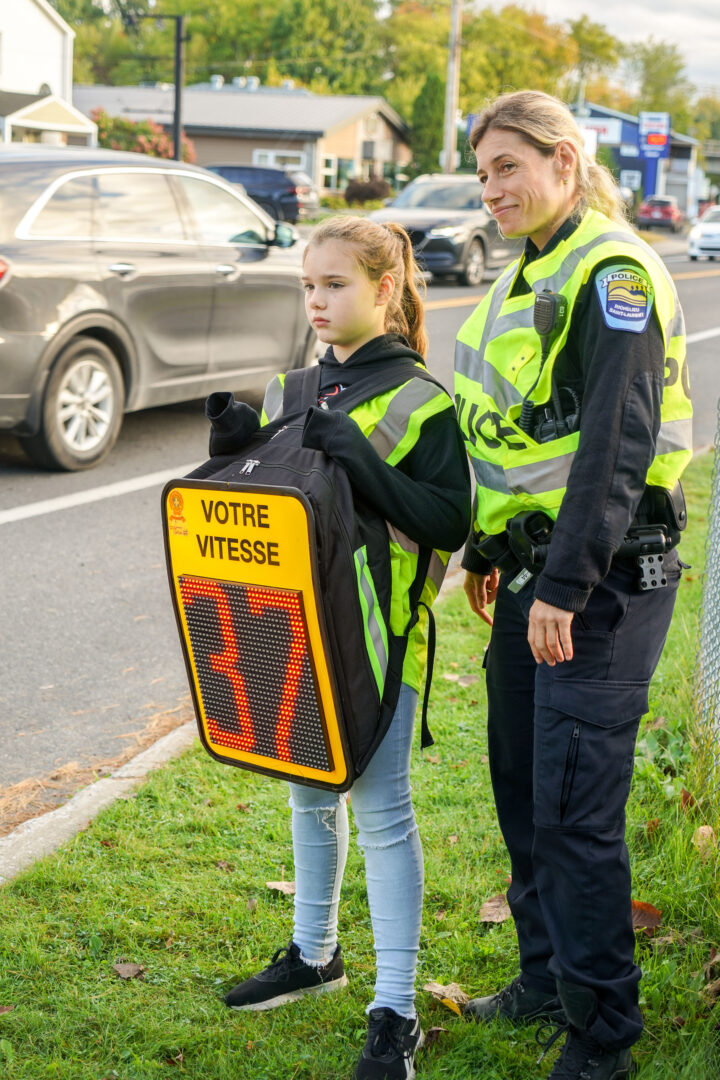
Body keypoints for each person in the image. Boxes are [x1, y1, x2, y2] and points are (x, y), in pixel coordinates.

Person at [454, 91, 692, 1080]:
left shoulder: (610, 272)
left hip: (597, 585)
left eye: (507, 166)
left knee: (576, 817)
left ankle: (604, 1042)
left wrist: (562, 582)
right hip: (529, 576)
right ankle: (544, 978)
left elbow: (617, 443)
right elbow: (515, 434)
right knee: (522, 789)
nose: (491, 188)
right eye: (481, 172)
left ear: (563, 159)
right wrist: (484, 548)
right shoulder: (525, 275)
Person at [219, 216, 471, 1080]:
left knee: (384, 817)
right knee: (308, 794)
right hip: (290, 639)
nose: (317, 301)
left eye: (334, 285)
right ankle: (314, 953)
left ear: (385, 290)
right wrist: (231, 452)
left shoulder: (422, 400)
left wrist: (363, 457)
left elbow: (449, 521)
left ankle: (395, 1012)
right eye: (308, 285)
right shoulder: (292, 388)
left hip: (379, 643)